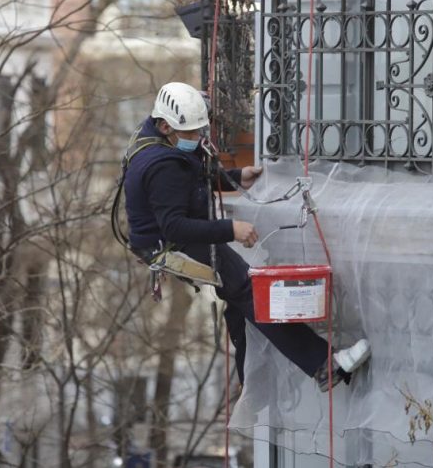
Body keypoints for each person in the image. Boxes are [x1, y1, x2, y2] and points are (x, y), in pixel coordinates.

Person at [123, 82, 370, 390]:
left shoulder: (158, 140)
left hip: (162, 238)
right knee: (251, 291)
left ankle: (252, 384)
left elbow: (187, 182)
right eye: (191, 134)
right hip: (173, 242)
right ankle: (323, 364)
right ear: (164, 125)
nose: (198, 139)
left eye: (201, 131)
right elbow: (175, 223)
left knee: (239, 302)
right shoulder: (162, 165)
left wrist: (236, 178)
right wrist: (231, 231)